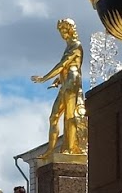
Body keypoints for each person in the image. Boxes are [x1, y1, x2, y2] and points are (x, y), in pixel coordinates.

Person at [32, 18, 86, 161]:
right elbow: (66, 68)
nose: (62, 33)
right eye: (60, 30)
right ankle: (51, 151)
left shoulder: (76, 45)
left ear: (70, 29)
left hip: (73, 82)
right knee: (54, 117)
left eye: (63, 29)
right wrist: (58, 81)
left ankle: (70, 148)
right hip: (66, 82)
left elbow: (63, 65)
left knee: (70, 115)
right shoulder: (69, 46)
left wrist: (44, 78)